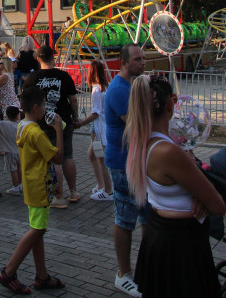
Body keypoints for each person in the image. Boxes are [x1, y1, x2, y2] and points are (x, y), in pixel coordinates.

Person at [125, 74, 225, 298]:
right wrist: (203, 196)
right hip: (181, 244)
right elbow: (218, 205)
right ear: (171, 104)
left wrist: (197, 193)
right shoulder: (169, 152)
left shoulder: (142, 142)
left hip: (159, 233)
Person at [0, 86, 65, 294]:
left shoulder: (22, 126)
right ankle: (9, 272)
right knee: (37, 230)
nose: (46, 109)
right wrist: (58, 130)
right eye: (44, 105)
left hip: (30, 184)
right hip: (40, 187)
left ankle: (42, 275)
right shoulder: (36, 133)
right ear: (36, 107)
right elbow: (58, 157)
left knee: (38, 230)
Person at [104, 43, 148, 297]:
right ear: (123, 62)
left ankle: (144, 268)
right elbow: (137, 124)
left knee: (145, 216)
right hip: (122, 164)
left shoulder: (132, 85)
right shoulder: (120, 90)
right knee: (125, 218)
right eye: (137, 59)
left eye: (143, 58)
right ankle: (123, 273)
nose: (143, 62)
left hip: (136, 161)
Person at [24, 45, 80, 208]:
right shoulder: (64, 76)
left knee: (53, 158)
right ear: (52, 58)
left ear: (38, 59)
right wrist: (75, 117)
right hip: (63, 120)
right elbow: (73, 99)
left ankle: (59, 196)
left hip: (44, 123)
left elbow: (26, 99)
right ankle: (73, 191)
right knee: (67, 156)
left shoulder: (33, 78)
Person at [75, 59, 113, 200]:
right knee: (92, 154)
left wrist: (81, 123)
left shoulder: (97, 90)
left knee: (100, 157)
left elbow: (96, 113)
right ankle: (101, 185)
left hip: (100, 127)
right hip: (104, 126)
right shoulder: (107, 87)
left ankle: (108, 190)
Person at [0, 105, 22, 196]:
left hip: (10, 152)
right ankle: (20, 185)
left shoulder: (3, 124)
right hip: (20, 151)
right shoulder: (21, 125)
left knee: (13, 170)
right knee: (19, 167)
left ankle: (15, 188)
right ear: (18, 115)